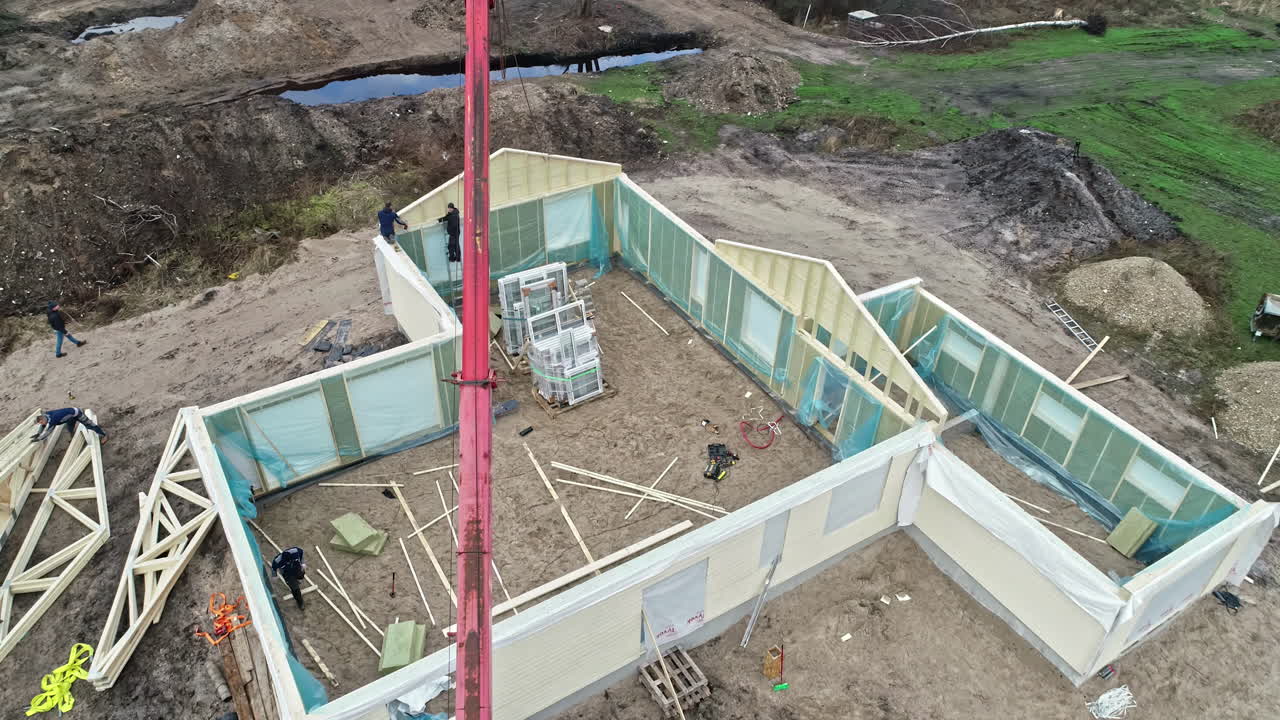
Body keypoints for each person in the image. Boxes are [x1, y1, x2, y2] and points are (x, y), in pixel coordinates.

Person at [32, 407, 107, 443]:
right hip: (69, 417)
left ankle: (104, 435)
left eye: (41, 422)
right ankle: (72, 436)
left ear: (42, 419)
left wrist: (39, 438)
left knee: (89, 425)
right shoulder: (46, 415)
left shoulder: (53, 420)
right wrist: (38, 433)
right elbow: (43, 425)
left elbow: (48, 432)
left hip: (77, 413)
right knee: (70, 428)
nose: (41, 424)